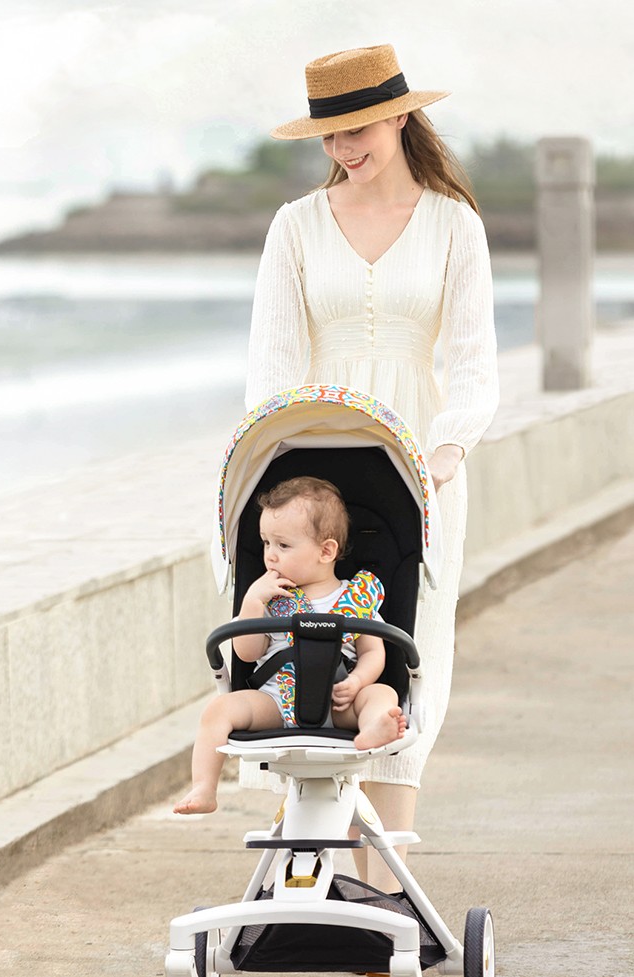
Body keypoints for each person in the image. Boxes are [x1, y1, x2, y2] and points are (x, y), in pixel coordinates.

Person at [244, 45, 499, 889]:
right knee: (308, 642)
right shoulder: (296, 225)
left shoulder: (454, 223)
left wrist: (448, 446)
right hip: (317, 463)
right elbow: (271, 367)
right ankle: (307, 871)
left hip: (421, 464)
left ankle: (388, 884)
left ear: (398, 115)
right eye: (330, 135)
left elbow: (474, 363)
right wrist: (267, 471)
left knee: (406, 650)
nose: (344, 148)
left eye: (357, 129)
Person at [174, 476, 405, 816]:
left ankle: (373, 727)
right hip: (276, 702)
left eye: (283, 545)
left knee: (382, 694)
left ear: (326, 551)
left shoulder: (356, 596)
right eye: (266, 543)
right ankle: (204, 787)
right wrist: (253, 602)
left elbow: (373, 653)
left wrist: (357, 682)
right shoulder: (270, 597)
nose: (270, 555)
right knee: (218, 710)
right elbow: (247, 653)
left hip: (340, 703)